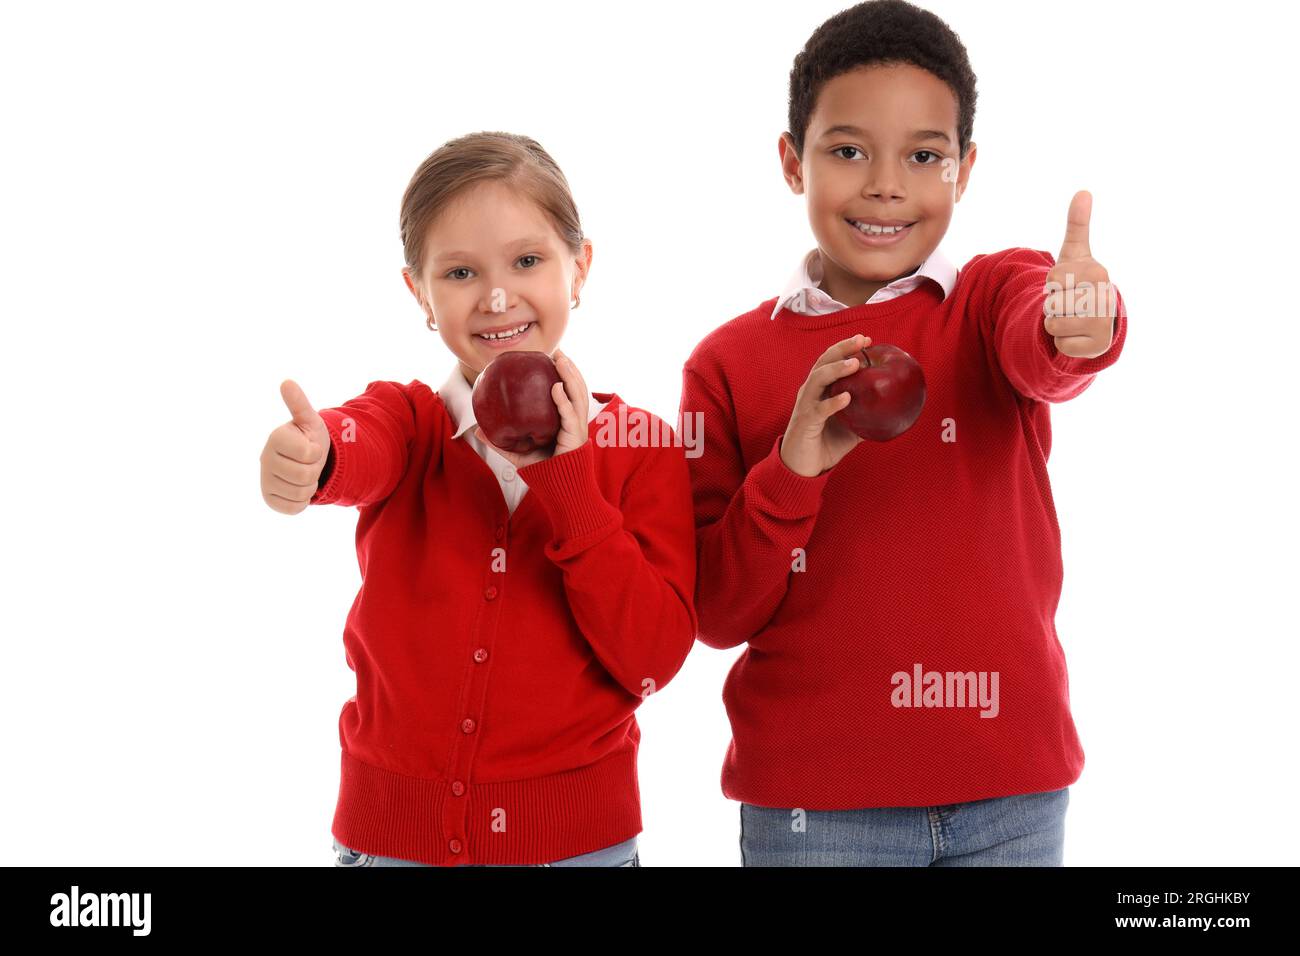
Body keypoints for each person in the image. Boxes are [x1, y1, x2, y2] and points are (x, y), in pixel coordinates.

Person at [679, 0, 1127, 866]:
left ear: (963, 169)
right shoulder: (726, 364)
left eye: (923, 156)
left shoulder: (995, 294)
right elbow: (718, 612)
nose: (886, 184)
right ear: (790, 160)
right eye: (847, 151)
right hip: (815, 806)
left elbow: (1046, 351)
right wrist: (794, 465)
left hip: (1013, 792)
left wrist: (1081, 327)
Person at [259, 131, 697, 867]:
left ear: (579, 268)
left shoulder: (640, 444)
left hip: (577, 848)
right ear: (419, 294)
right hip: (392, 842)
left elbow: (651, 656)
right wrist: (317, 456)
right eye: (460, 271)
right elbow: (357, 444)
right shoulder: (409, 422)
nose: (497, 296)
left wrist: (569, 480)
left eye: (528, 261)